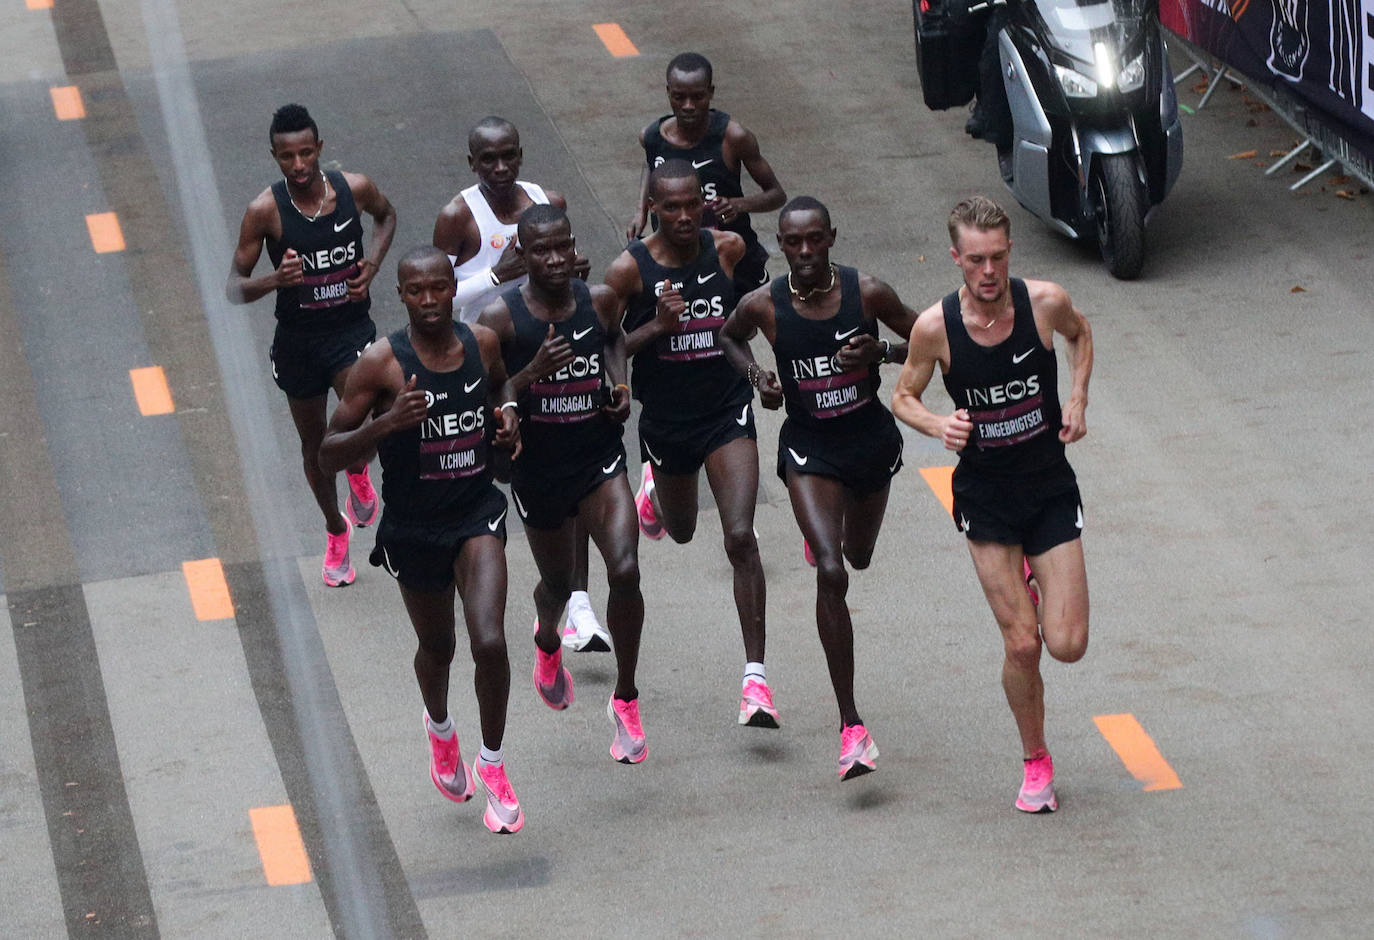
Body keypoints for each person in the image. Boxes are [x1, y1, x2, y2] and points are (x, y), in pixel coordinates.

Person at [891, 195, 1092, 813]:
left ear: (1010, 253)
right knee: (1023, 645)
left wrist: (1078, 397)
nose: (988, 271)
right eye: (975, 259)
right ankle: (1036, 762)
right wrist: (935, 425)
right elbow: (902, 395)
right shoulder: (934, 329)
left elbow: (1081, 336)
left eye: (998, 257)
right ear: (955, 258)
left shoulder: (1044, 303)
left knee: (1066, 645)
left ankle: (1036, 570)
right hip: (986, 499)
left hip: (1048, 485)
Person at [318, 245, 524, 834]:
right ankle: (439, 728)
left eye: (439, 288)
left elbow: (501, 388)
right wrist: (387, 424)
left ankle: (492, 762)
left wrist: (507, 418)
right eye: (417, 291)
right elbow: (328, 453)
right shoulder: (382, 364)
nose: (430, 300)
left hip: (476, 513)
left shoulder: (481, 344)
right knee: (439, 648)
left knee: (488, 641)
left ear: (452, 290)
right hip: (413, 527)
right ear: (402, 296)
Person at [720, 196, 917, 779]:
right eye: (792, 242)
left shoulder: (869, 293)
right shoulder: (764, 304)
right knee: (832, 571)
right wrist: (760, 378)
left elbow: (934, 344)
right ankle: (851, 727)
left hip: (869, 443)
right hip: (809, 449)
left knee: (858, 556)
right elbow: (729, 339)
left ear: (831, 236)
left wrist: (881, 350)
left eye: (814, 240)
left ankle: (826, 536)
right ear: (780, 244)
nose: (804, 252)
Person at [605, 159, 776, 729]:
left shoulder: (726, 248)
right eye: (670, 207)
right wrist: (657, 326)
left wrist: (761, 374)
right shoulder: (629, 270)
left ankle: (755, 680)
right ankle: (654, 491)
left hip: (726, 412)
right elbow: (609, 345)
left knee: (739, 537)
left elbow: (748, 315)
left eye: (692, 205)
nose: (684, 216)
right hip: (667, 423)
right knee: (681, 532)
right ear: (652, 206)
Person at [478, 204, 649, 765]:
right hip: (539, 469)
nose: (554, 261)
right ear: (522, 256)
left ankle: (625, 697)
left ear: (574, 247)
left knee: (624, 569)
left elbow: (614, 341)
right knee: (557, 583)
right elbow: (486, 394)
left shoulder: (597, 300)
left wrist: (619, 386)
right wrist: (530, 376)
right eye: (540, 251)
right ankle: (547, 642)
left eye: (562, 248)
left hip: (598, 456)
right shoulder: (500, 321)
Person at [434, 116, 608, 651]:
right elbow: (434, 293)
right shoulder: (457, 215)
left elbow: (567, 272)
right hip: (482, 358)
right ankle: (462, 553)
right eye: (488, 159)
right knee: (508, 469)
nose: (501, 168)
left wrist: (572, 272)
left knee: (576, 475)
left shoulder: (546, 201)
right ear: (471, 164)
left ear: (522, 153)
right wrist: (495, 276)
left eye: (509, 155)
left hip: (548, 349)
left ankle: (577, 605)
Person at [227, 103, 397, 586]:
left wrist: (374, 264)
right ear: (275, 157)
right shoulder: (264, 211)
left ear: (320, 148)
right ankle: (335, 529)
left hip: (350, 333)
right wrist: (274, 280)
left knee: (367, 417)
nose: (298, 165)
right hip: (299, 341)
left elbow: (387, 218)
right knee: (314, 444)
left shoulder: (354, 189)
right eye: (287, 157)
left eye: (306, 153)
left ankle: (359, 468)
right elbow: (233, 289)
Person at [628, 52, 786, 298]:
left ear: (710, 92)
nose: (688, 106)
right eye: (679, 97)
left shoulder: (733, 138)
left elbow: (777, 195)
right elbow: (651, 166)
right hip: (676, 257)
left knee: (741, 328)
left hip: (731, 254)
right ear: (668, 92)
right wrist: (641, 210)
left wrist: (738, 204)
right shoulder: (651, 137)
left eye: (697, 97)